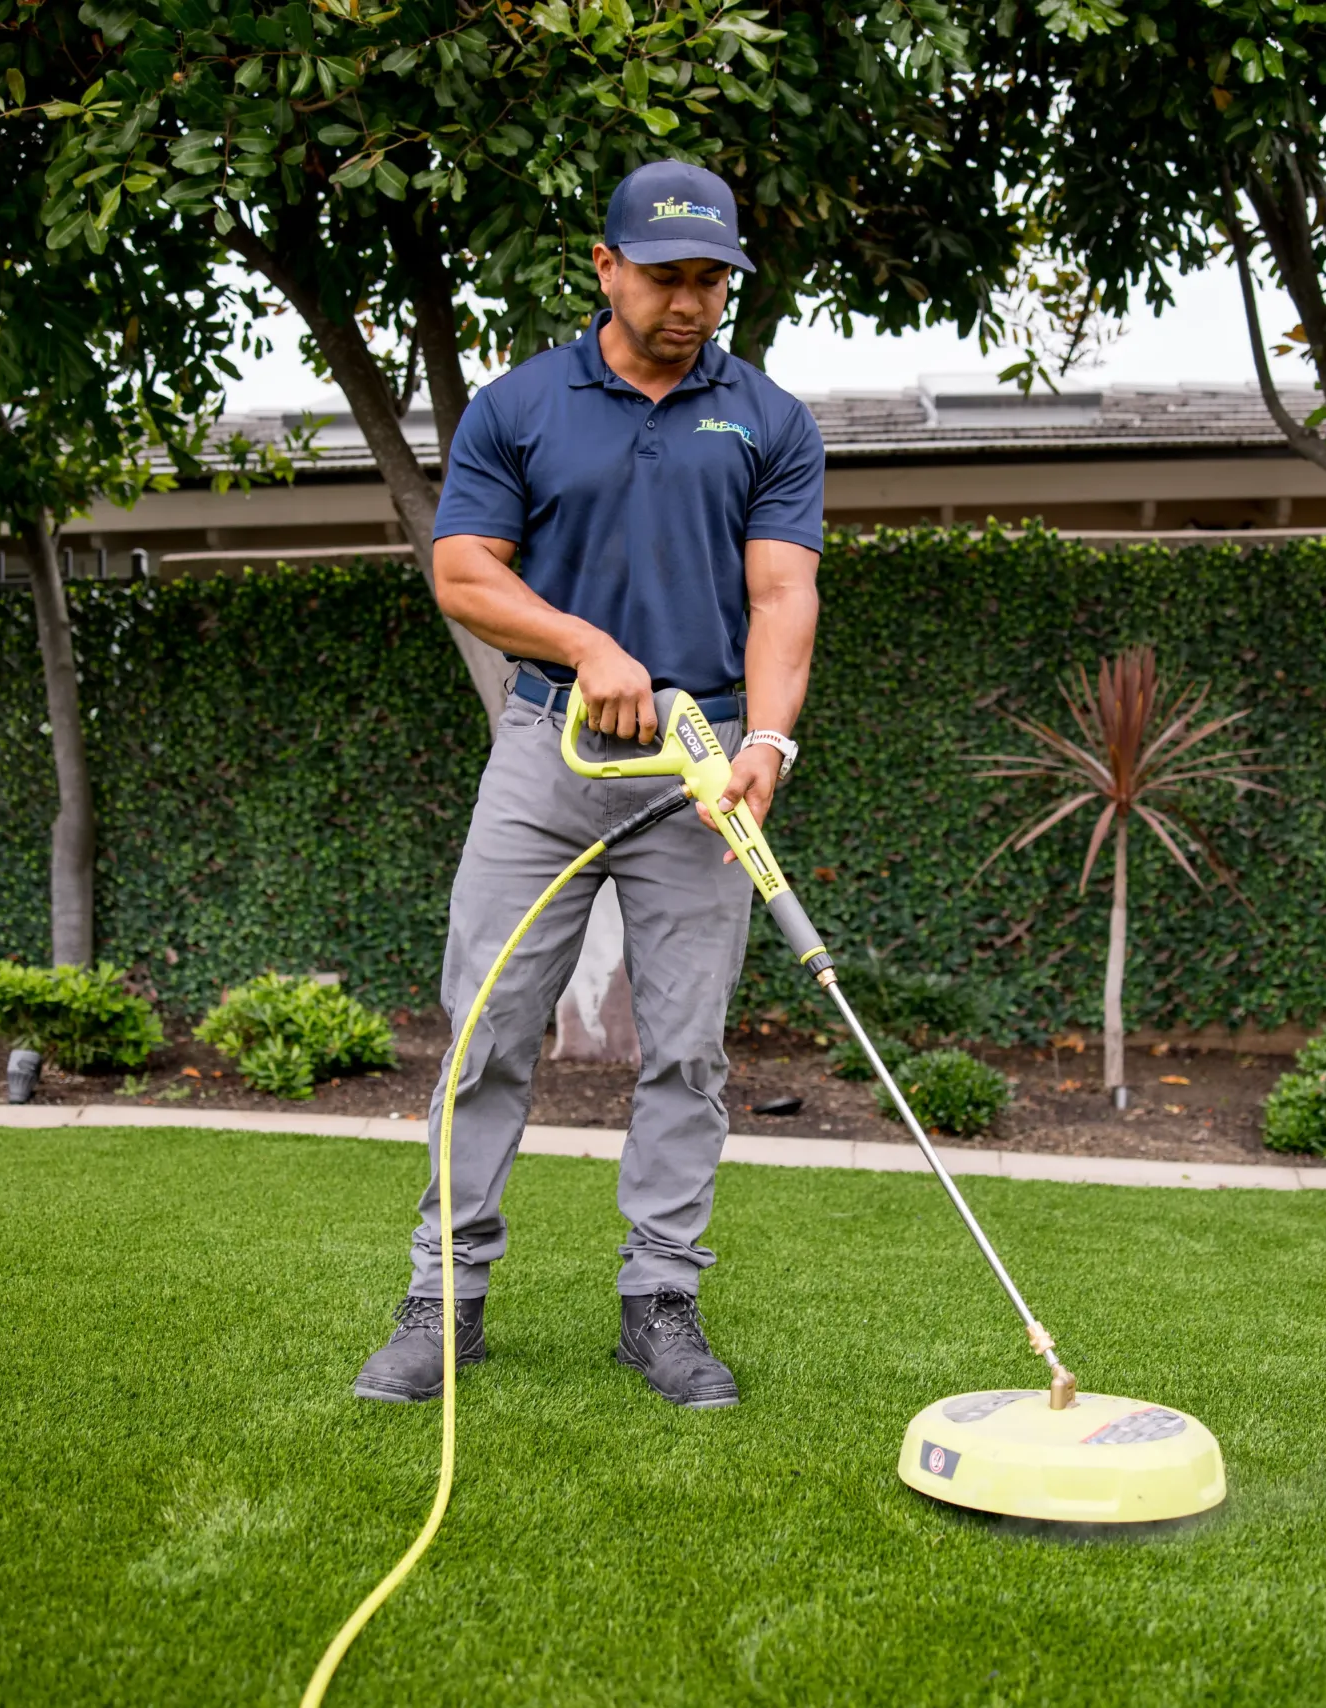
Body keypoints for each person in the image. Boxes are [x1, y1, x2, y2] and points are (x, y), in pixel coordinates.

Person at [352, 160, 824, 1410]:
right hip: (547, 750)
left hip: (700, 763)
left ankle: (659, 1304)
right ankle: (441, 1298)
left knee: (688, 1048)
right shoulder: (519, 406)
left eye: (712, 279)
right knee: (488, 1026)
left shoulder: (768, 421)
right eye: (668, 276)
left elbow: (782, 594)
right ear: (605, 268)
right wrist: (583, 642)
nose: (692, 302)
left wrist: (766, 744)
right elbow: (463, 572)